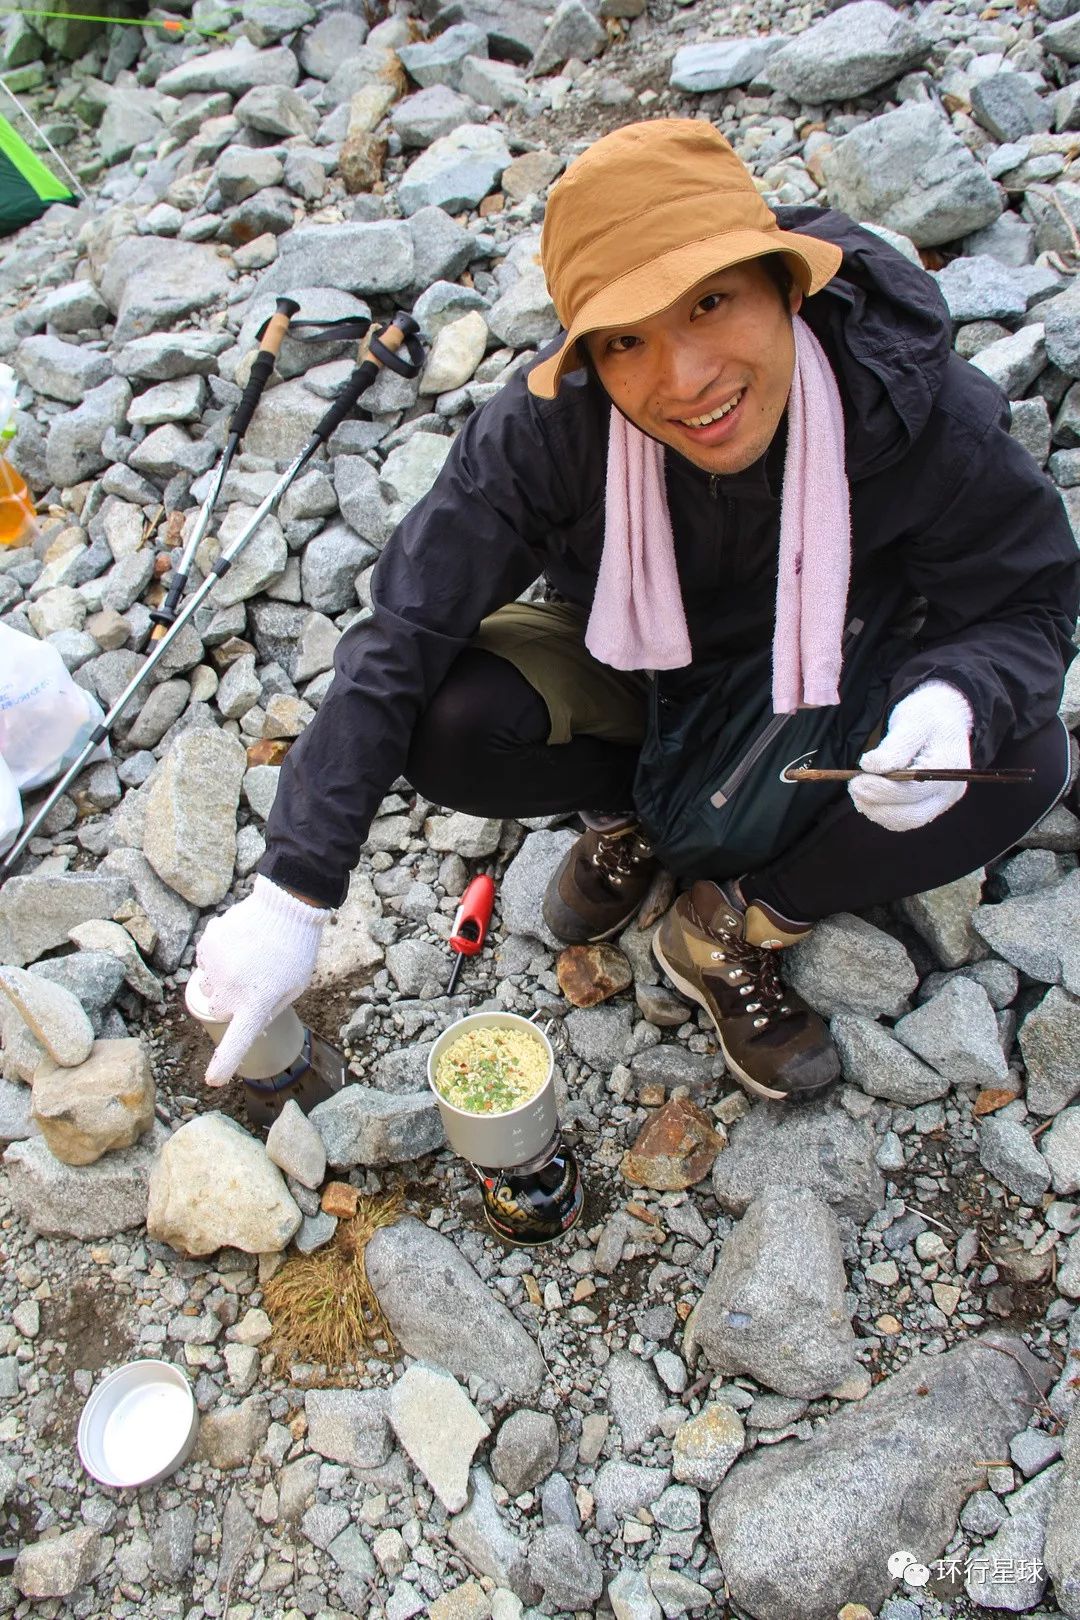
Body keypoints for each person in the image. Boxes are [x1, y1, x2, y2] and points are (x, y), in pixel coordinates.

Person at [195, 118, 1079, 1102]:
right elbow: (404, 629)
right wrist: (292, 894)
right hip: (644, 665)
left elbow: (1027, 598)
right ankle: (643, 824)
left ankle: (734, 918)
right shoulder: (546, 431)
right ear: (589, 358)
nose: (686, 381)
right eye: (626, 341)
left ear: (786, 284)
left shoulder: (903, 400)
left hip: (833, 658)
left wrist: (954, 700)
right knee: (450, 718)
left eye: (711, 303)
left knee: (1017, 754)